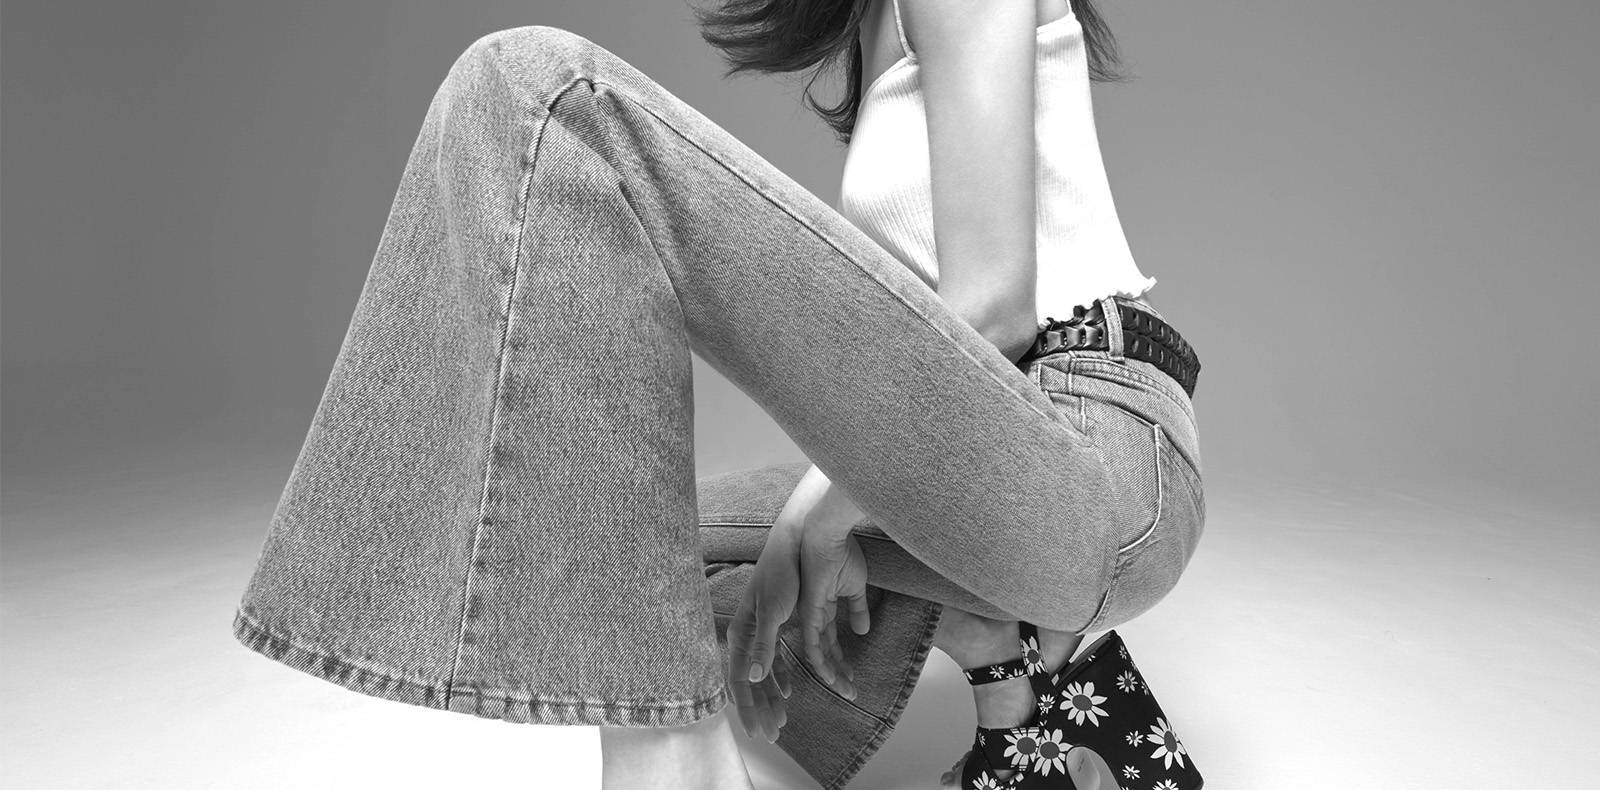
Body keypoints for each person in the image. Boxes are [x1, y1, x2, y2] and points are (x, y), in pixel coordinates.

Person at [230, 1, 1206, 788]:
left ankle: (674, 768)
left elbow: (989, 314)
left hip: (1095, 450)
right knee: (617, 554)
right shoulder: (877, 22)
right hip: (990, 478)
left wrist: (813, 520)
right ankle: (1005, 670)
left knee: (537, 91)